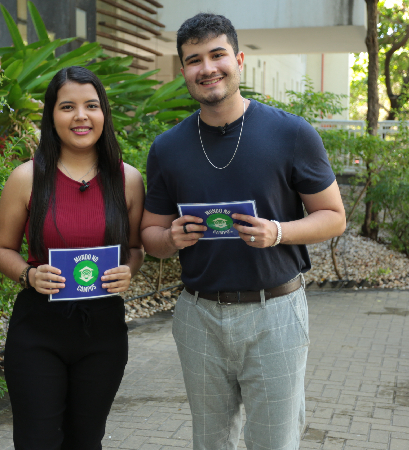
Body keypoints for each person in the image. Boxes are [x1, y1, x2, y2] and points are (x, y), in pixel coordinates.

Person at [140, 13, 346, 450]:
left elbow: (333, 216)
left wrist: (278, 231)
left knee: (275, 441)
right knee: (210, 442)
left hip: (275, 312)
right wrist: (171, 238)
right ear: (183, 72)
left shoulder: (290, 132)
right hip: (199, 316)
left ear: (239, 59)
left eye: (217, 55)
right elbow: (151, 237)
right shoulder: (167, 148)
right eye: (194, 60)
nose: (207, 68)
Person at [0, 66, 145, 450]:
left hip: (103, 333)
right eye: (67, 106)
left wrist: (129, 271)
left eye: (91, 105)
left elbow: (136, 249)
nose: (81, 116)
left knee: (85, 441)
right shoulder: (26, 178)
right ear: (51, 115)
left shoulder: (128, 179)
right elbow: (1, 250)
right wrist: (28, 275)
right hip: (38, 329)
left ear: (104, 113)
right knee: (37, 441)